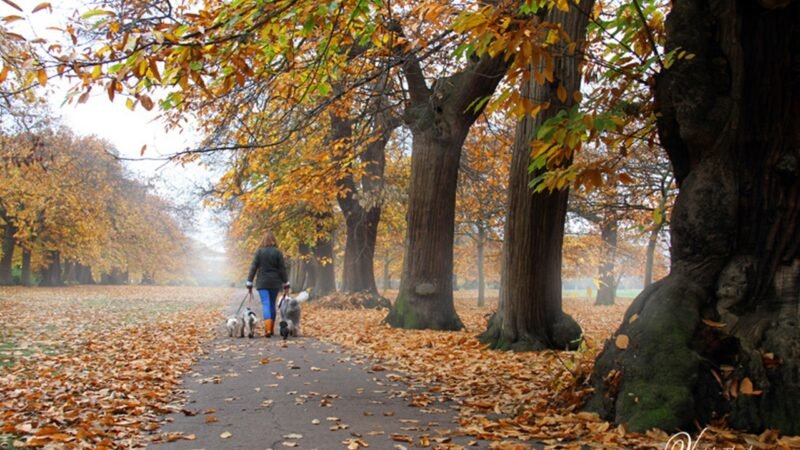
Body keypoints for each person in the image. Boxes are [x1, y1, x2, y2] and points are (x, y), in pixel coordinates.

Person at [246, 231, 289, 337]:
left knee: (266, 303)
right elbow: (282, 269)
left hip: (262, 282)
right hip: (275, 282)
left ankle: (268, 329)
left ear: (263, 240)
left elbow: (253, 267)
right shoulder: (277, 252)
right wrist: (285, 282)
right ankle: (271, 329)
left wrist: (249, 281)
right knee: (272, 304)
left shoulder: (259, 252)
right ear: (274, 240)